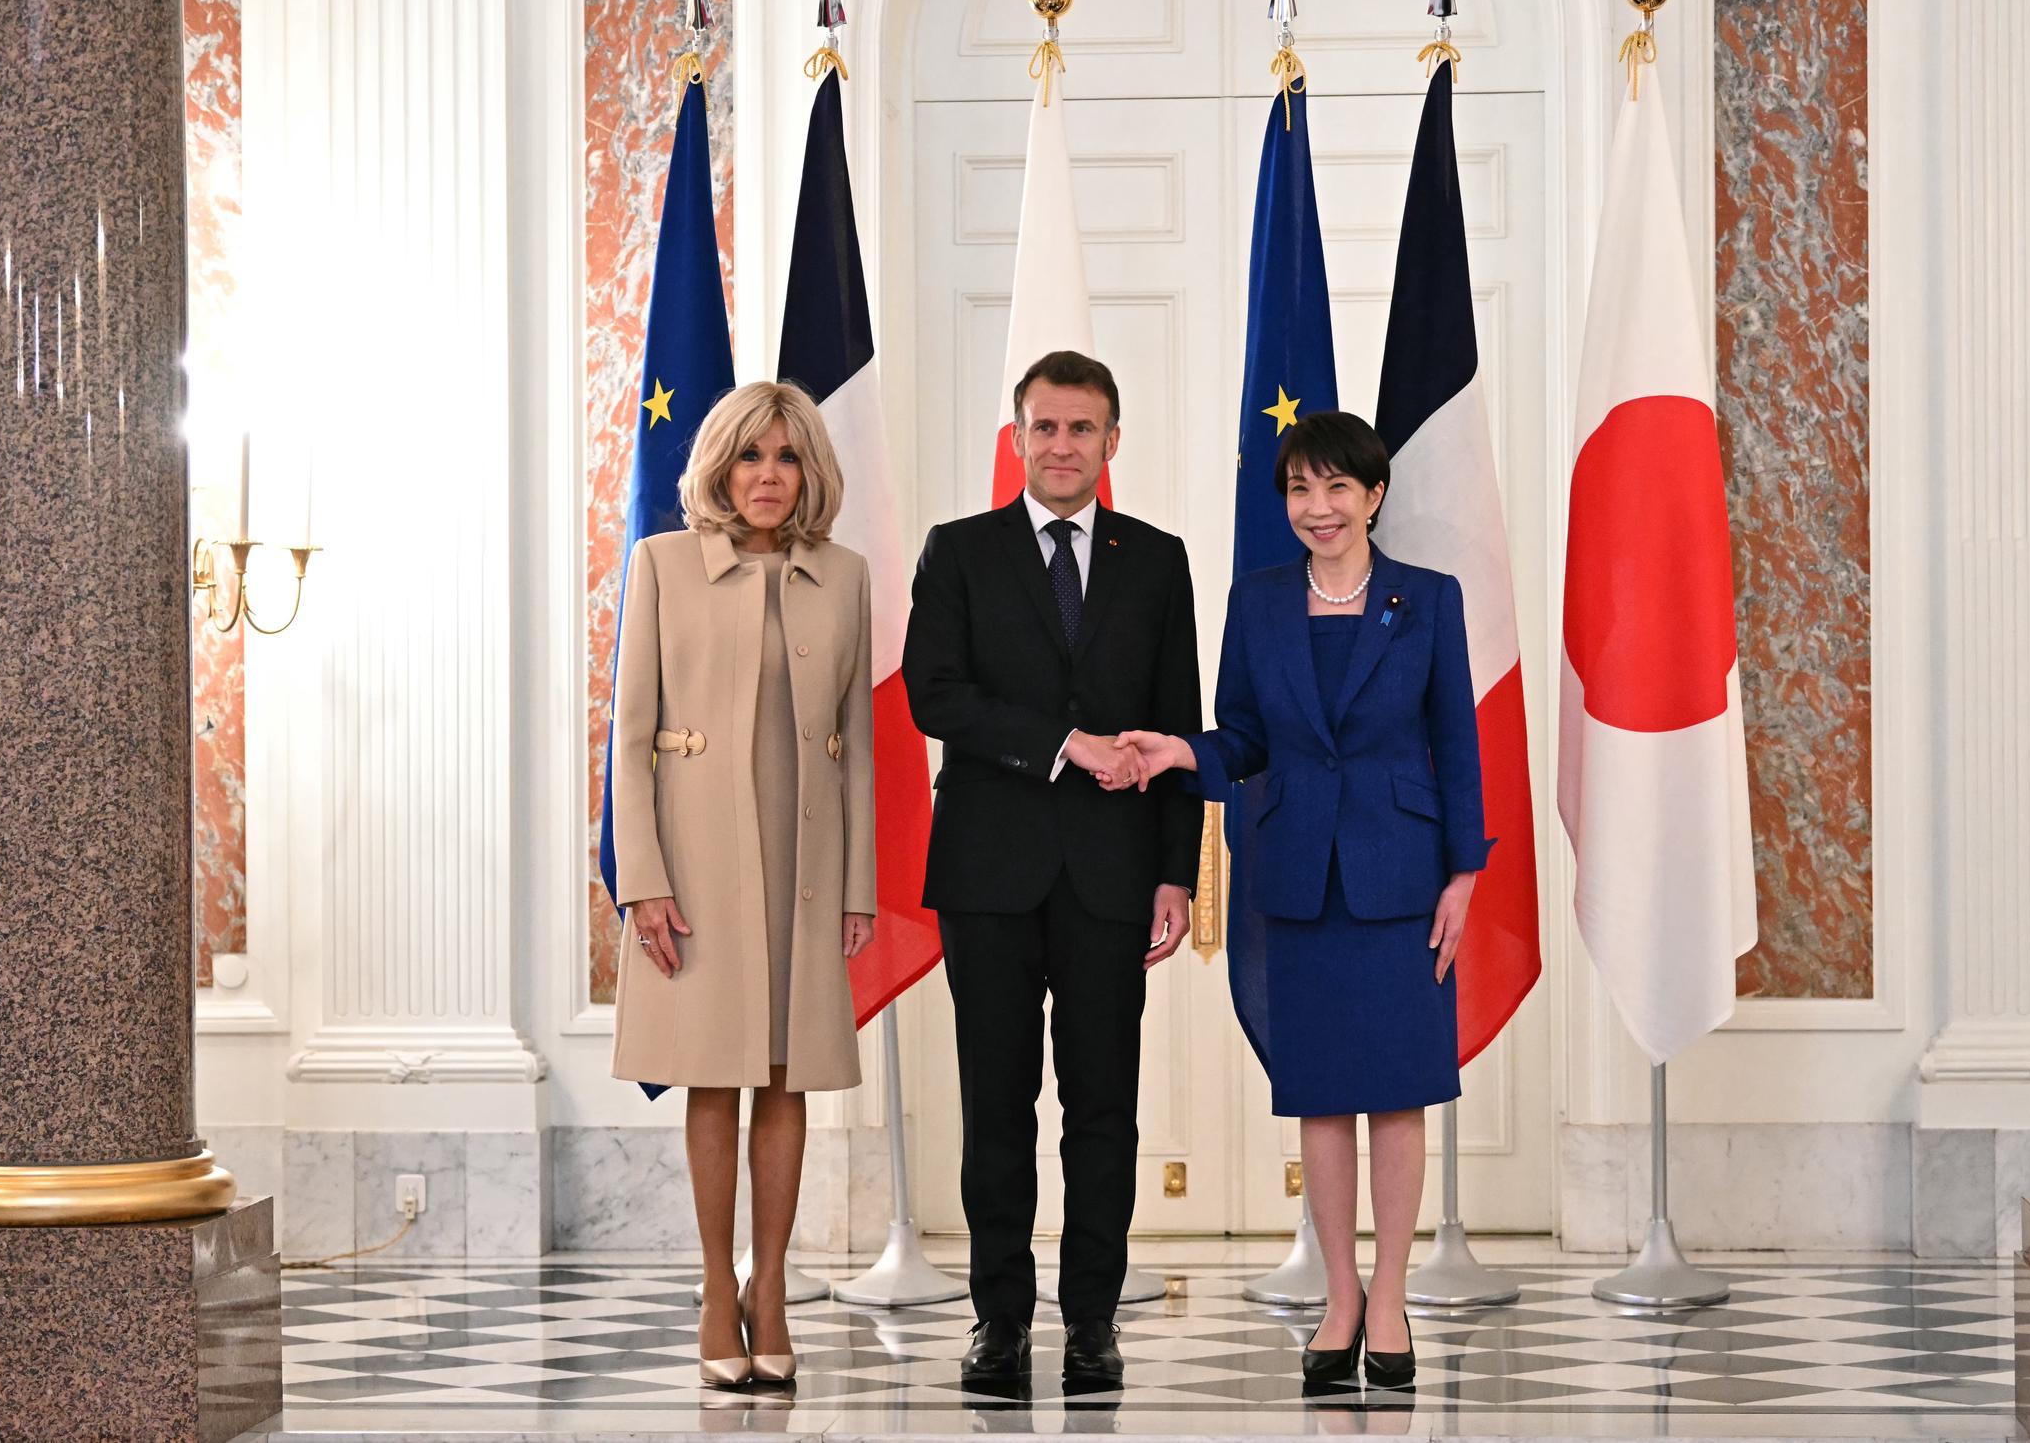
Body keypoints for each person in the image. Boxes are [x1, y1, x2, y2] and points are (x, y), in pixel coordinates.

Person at [1117, 411, 1486, 1391]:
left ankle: (1394, 1295)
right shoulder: (1260, 601)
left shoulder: (1430, 600)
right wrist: (1181, 752)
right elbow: (1244, 737)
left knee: (1399, 1091)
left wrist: (1464, 874)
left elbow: (1457, 742)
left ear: (1372, 496)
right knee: (1320, 1097)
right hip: (1295, 875)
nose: (1316, 508)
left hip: (1403, 876)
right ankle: (1340, 1298)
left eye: (1335, 489)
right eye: (1298, 490)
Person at [902, 350, 1205, 1394]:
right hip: (989, 873)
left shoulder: (1158, 561)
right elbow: (933, 697)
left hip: (1115, 879)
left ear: (1112, 442)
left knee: (1104, 1112)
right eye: (1045, 428)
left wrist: (1178, 876)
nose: (1063, 446)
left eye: (1083, 430)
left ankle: (1091, 1326)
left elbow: (1176, 727)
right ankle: (997, 1324)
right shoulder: (959, 553)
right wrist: (1066, 742)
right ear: (1017, 437)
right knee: (997, 1108)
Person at [607, 380, 878, 1390]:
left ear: (812, 470)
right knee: (714, 1072)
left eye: (789, 457)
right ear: (720, 466)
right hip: (696, 861)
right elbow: (629, 741)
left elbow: (854, 749)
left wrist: (858, 884)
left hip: (805, 867)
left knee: (785, 1074)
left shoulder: (843, 575)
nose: (769, 477)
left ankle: (774, 1293)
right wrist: (643, 882)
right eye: (752, 457)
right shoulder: (663, 564)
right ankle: (718, 1292)